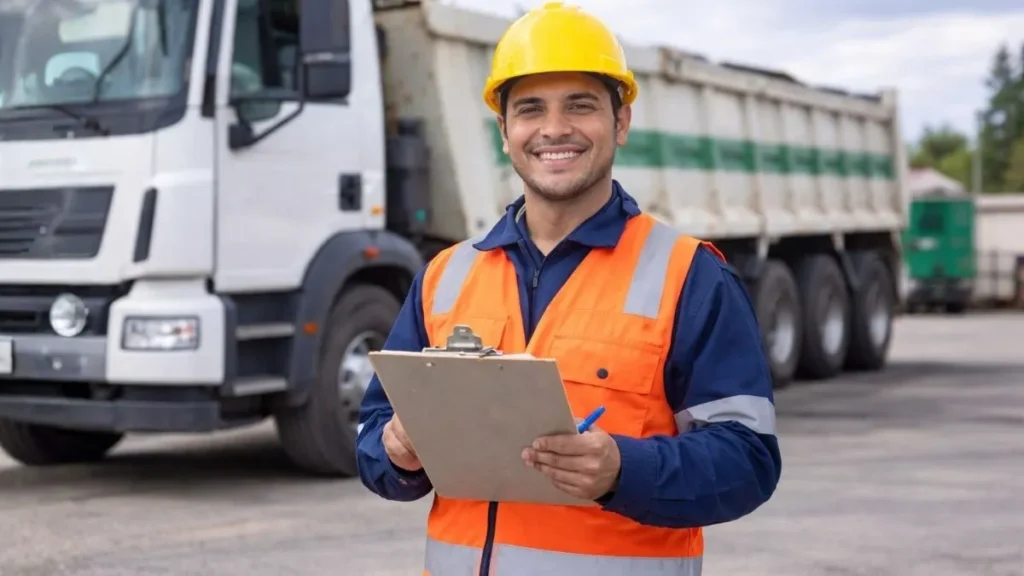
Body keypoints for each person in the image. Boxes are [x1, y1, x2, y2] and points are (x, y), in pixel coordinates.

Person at [356, 2, 782, 574]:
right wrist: (396, 450)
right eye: (530, 109)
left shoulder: (689, 276)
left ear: (621, 122)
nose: (554, 129)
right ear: (504, 132)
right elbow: (372, 436)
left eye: (580, 106)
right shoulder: (444, 277)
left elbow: (749, 459)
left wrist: (623, 470)